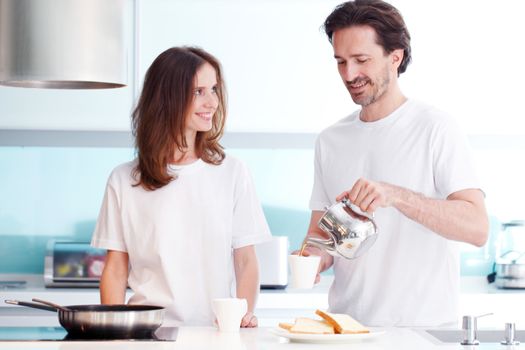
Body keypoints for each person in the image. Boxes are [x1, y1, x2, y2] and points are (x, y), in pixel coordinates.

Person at [300, 0, 489, 327]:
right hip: (347, 331)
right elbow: (322, 237)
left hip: (422, 334)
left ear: (395, 56)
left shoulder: (436, 128)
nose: (349, 74)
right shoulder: (330, 141)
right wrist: (312, 258)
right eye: (341, 61)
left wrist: (396, 196)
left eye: (361, 60)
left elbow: (477, 228)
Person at [91, 47, 271, 327]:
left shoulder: (232, 172)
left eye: (214, 89)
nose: (212, 101)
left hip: (215, 334)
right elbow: (115, 269)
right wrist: (114, 332)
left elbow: (246, 261)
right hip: (146, 333)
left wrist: (243, 316)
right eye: (198, 91)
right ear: (167, 97)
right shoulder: (123, 180)